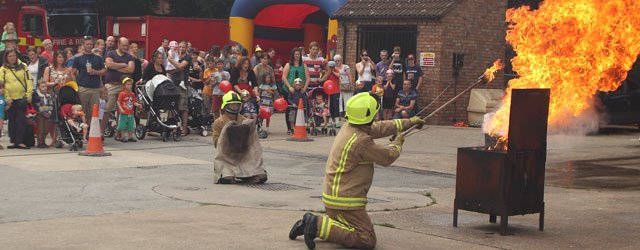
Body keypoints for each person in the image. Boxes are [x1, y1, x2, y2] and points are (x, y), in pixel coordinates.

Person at [288, 92, 425, 249]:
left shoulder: (351, 127)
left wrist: (408, 122)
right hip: (346, 203)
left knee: (345, 229)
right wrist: (398, 142)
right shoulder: (361, 141)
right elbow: (387, 157)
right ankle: (317, 224)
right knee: (366, 239)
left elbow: (378, 128)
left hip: (334, 198)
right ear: (370, 116)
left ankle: (310, 223)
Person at [212, 91, 268, 184]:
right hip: (226, 156)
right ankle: (227, 173)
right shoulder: (219, 122)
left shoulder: (244, 120)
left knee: (260, 175)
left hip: (244, 153)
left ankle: (249, 173)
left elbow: (252, 140)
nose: (234, 107)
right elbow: (216, 143)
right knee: (227, 177)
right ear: (226, 106)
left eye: (236, 105)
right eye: (232, 105)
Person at [1, 48, 33, 149]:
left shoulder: (23, 66)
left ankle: (20, 141)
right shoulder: (3, 69)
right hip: (9, 99)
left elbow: (28, 80)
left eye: (13, 56)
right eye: (10, 56)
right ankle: (13, 141)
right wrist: (7, 97)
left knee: (21, 120)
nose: (12, 58)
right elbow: (2, 85)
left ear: (17, 56)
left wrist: (28, 95)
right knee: (12, 121)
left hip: (21, 98)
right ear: (6, 57)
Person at [104, 37, 134, 140]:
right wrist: (122, 65)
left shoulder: (129, 56)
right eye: (123, 45)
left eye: (127, 45)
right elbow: (108, 64)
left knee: (122, 111)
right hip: (111, 85)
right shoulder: (110, 54)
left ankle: (119, 133)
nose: (125, 47)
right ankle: (101, 133)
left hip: (123, 86)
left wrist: (115, 67)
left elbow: (130, 69)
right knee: (107, 109)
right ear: (118, 45)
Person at [72, 36, 106, 122]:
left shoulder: (97, 57)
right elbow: (73, 72)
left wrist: (95, 72)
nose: (89, 46)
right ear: (83, 45)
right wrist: (76, 86)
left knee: (94, 112)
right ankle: (83, 130)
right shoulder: (77, 58)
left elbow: (104, 70)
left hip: (95, 88)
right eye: (87, 44)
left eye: (91, 44)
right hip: (83, 88)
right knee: (82, 111)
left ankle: (92, 132)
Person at [282, 48, 310, 134]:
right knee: (290, 109)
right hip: (289, 90)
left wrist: (304, 88)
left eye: (298, 54)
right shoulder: (288, 65)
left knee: (300, 109)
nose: (297, 56)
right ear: (293, 55)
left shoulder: (304, 65)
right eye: (295, 54)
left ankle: (298, 126)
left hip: (300, 91)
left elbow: (308, 77)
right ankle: (289, 128)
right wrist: (289, 87)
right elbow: (284, 77)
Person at [166, 41, 192, 135]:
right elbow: (170, 69)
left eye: (183, 47)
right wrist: (176, 68)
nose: (181, 49)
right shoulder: (175, 55)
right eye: (179, 47)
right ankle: (173, 127)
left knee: (183, 108)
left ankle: (184, 129)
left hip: (183, 85)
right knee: (173, 107)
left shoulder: (187, 57)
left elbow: (181, 66)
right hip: (173, 84)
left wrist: (171, 60)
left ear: (186, 48)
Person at [116, 77, 142, 142]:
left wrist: (137, 105)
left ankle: (130, 136)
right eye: (128, 84)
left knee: (131, 125)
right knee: (122, 125)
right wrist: (121, 109)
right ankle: (122, 136)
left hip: (131, 112)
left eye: (131, 84)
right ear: (124, 86)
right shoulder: (122, 94)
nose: (130, 86)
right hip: (124, 112)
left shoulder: (132, 94)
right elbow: (118, 101)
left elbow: (133, 101)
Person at [32, 80, 54, 148]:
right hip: (39, 114)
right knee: (40, 128)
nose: (44, 88)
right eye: (42, 87)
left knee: (46, 128)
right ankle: (40, 142)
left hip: (47, 113)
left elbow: (51, 104)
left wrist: (49, 111)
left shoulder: (48, 95)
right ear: (38, 87)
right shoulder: (36, 94)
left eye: (45, 87)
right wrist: (43, 112)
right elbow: (36, 105)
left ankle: (43, 141)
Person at [334, 54, 353, 120]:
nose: (337, 62)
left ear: (341, 60)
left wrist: (351, 84)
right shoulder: (334, 68)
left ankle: (347, 114)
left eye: (338, 60)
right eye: (336, 61)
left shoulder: (345, 67)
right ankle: (340, 115)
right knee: (340, 100)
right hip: (338, 86)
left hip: (346, 85)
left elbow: (350, 75)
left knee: (347, 100)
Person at [0, 83, 6, 149]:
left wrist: (9, 105)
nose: (2, 90)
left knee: (0, 130)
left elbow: (4, 108)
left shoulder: (3, 97)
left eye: (2, 88)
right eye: (0, 88)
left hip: (1, 116)